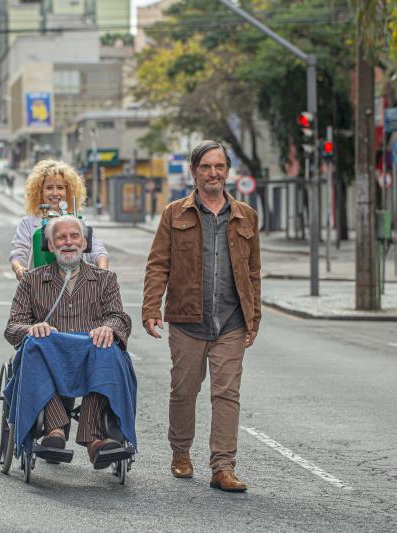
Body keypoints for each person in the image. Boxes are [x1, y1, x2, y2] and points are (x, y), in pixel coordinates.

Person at [142, 140, 261, 492]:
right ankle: (180, 451)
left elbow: (253, 273)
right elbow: (157, 265)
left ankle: (223, 466)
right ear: (194, 172)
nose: (213, 173)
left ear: (227, 171)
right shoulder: (175, 213)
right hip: (187, 319)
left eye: (219, 166)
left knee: (226, 394)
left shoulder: (245, 216)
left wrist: (253, 319)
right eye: (206, 167)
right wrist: (151, 307)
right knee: (184, 390)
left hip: (231, 321)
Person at [4, 215, 133, 465]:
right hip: (51, 354)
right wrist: (31, 329)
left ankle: (95, 438)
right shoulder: (32, 281)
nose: (68, 242)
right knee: (35, 346)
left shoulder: (105, 279)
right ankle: (55, 430)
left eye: (74, 236)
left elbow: (119, 316)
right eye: (60, 237)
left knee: (109, 347)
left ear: (85, 243)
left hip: (91, 354)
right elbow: (12, 327)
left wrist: (108, 327)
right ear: (50, 246)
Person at [9, 160, 108, 280]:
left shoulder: (77, 220)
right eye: (49, 187)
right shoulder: (28, 222)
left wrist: (103, 269)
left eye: (60, 187)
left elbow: (97, 250)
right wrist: (19, 268)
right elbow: (18, 252)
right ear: (40, 191)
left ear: (68, 191)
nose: (55, 193)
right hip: (39, 287)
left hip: (74, 286)